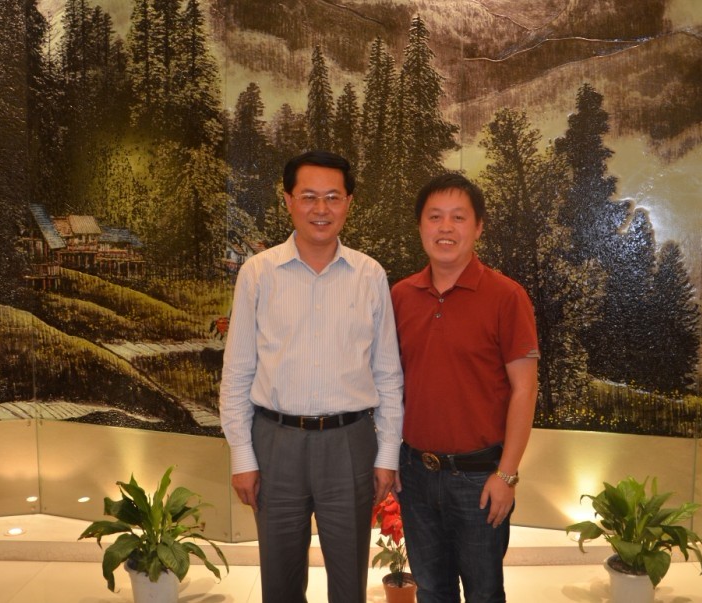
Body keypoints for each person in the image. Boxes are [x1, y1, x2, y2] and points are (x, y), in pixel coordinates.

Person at [219, 150, 403, 603]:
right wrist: (242, 456)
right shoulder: (258, 274)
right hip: (275, 443)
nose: (321, 209)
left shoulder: (369, 275)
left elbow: (388, 374)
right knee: (280, 581)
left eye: (333, 197)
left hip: (350, 444)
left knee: (349, 583)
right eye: (308, 196)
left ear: (348, 203)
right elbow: (237, 372)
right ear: (288, 200)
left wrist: (387, 453)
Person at [391, 173, 539, 603]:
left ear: (478, 227)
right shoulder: (400, 296)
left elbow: (525, 389)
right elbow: (388, 385)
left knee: (484, 592)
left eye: (458, 217)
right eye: (435, 217)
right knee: (431, 591)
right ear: (420, 226)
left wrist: (506, 475)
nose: (446, 227)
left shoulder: (506, 296)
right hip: (415, 475)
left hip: (479, 479)